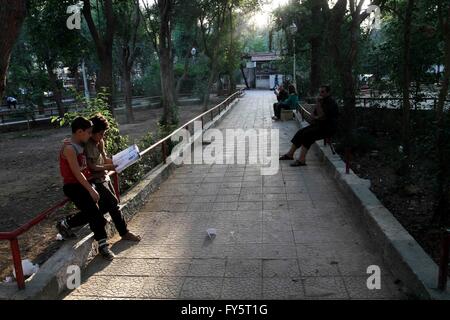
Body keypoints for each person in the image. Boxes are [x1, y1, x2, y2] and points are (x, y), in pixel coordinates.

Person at [56, 117, 138, 261]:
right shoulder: (72, 148)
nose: (90, 135)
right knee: (96, 214)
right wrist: (91, 189)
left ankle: (67, 224)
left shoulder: (81, 144)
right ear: (81, 132)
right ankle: (103, 245)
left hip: (86, 182)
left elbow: (93, 164)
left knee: (99, 211)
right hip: (77, 185)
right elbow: (78, 172)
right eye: (89, 132)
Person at [279, 85, 339, 166]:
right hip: (319, 125)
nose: (320, 94)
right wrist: (316, 115)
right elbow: (313, 116)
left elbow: (322, 116)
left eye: (323, 92)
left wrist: (318, 104)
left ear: (328, 92)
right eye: (320, 92)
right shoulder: (322, 101)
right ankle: (290, 154)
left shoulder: (330, 102)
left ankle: (302, 160)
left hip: (328, 127)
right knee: (300, 132)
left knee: (308, 135)